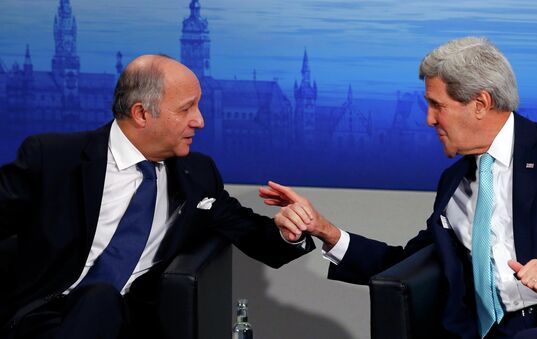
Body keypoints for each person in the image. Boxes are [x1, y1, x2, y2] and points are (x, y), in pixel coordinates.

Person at [260, 37, 537, 339]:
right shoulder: (454, 182)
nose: (429, 119)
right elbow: (408, 261)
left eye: (438, 105)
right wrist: (325, 230)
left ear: (480, 103)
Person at [0, 54, 315, 339]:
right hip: (41, 316)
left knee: (101, 299)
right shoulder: (53, 158)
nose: (200, 120)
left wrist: (290, 232)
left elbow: (250, 231)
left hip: (128, 321)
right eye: (186, 108)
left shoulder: (198, 174)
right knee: (95, 300)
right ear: (141, 114)